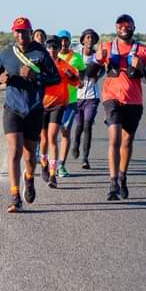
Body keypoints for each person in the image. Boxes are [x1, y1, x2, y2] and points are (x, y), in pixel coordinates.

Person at [0, 17, 60, 213]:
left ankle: (29, 179)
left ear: (30, 32)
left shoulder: (40, 52)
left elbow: (55, 77)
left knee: (29, 156)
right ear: (13, 33)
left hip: (34, 109)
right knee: (14, 151)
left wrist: (36, 76)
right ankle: (15, 197)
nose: (21, 35)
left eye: (24, 31)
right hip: (12, 108)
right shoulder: (6, 54)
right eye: (17, 31)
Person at [87, 14, 146, 200]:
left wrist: (142, 66)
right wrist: (96, 60)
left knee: (127, 142)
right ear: (116, 27)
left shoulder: (142, 50)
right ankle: (112, 184)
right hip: (112, 99)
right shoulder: (106, 47)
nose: (124, 27)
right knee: (115, 138)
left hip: (134, 102)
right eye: (120, 25)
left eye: (128, 25)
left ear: (133, 27)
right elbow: (90, 75)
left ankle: (122, 177)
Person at [39, 35, 80, 188]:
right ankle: (43, 162)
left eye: (55, 47)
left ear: (58, 49)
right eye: (49, 47)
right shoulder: (40, 65)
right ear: (46, 48)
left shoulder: (64, 65)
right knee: (43, 139)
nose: (52, 50)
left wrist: (72, 77)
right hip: (42, 105)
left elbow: (77, 83)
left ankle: (52, 174)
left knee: (52, 137)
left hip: (59, 104)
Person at [56, 29, 85, 177]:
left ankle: (61, 165)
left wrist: (79, 82)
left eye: (65, 40)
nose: (63, 43)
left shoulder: (77, 58)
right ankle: (50, 162)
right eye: (60, 40)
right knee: (51, 134)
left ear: (69, 41)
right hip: (54, 101)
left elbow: (82, 75)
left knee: (65, 131)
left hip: (71, 101)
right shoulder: (53, 56)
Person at [72, 28, 102, 169]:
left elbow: (103, 70)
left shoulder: (98, 57)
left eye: (92, 38)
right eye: (87, 37)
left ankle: (85, 158)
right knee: (79, 126)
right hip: (77, 97)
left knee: (87, 125)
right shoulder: (77, 56)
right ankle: (76, 143)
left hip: (92, 96)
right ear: (83, 40)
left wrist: (99, 74)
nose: (90, 40)